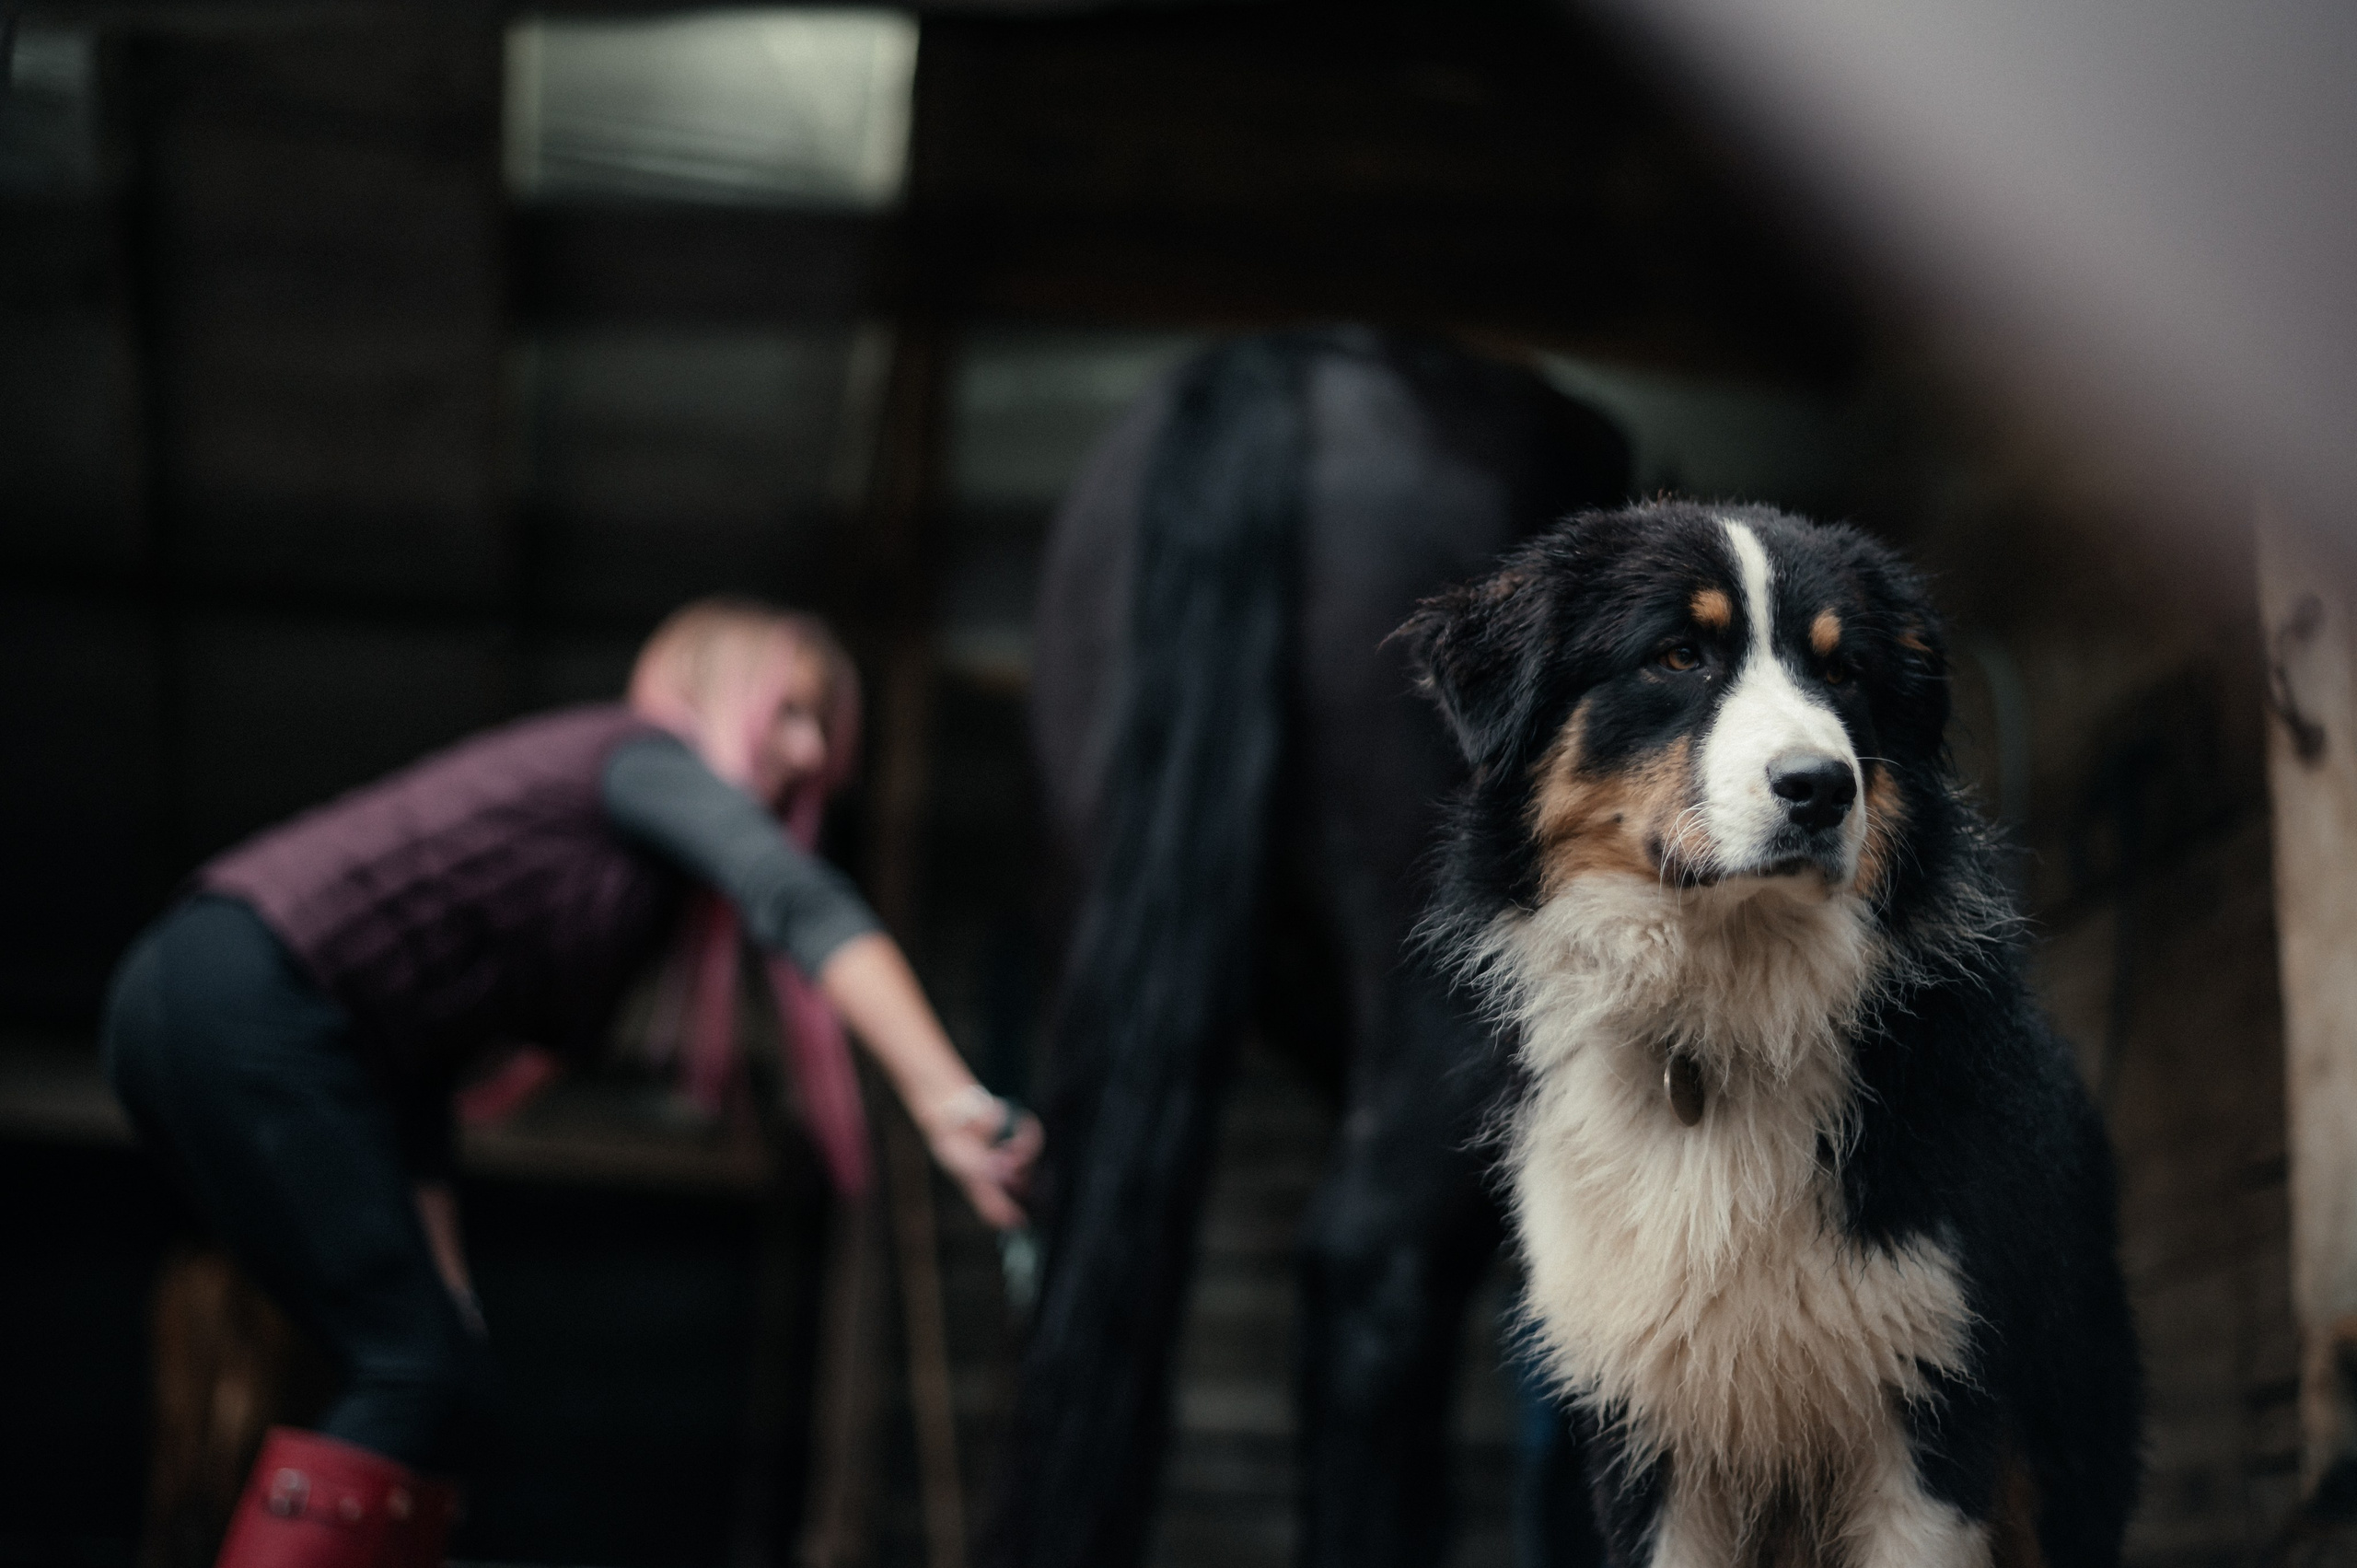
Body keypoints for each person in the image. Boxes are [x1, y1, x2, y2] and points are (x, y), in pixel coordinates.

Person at [102, 598, 1040, 1568]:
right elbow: (801, 902)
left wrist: (450, 1285)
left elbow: (418, 1061)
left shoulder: (628, 847)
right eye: (791, 711)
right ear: (708, 686)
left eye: (824, 730)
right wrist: (954, 1105)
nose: (808, 753)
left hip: (207, 1005)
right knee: (413, 1373)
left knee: (439, 1379)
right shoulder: (643, 758)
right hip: (239, 989)